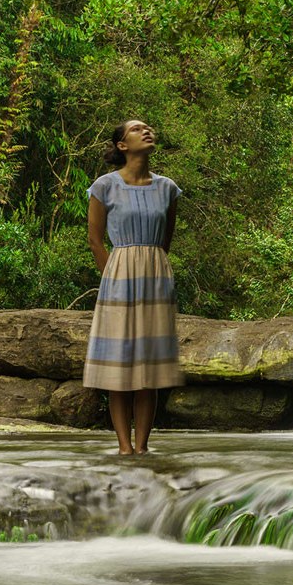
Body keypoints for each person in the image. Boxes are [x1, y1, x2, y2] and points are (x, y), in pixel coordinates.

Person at [83, 120, 183, 454]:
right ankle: (124, 448)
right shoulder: (104, 186)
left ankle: (142, 448)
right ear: (122, 145)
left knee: (149, 368)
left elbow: (165, 238)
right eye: (138, 129)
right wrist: (111, 277)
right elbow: (95, 240)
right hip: (118, 275)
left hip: (155, 275)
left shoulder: (167, 188)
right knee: (119, 365)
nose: (148, 131)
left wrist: (154, 270)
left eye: (150, 128)